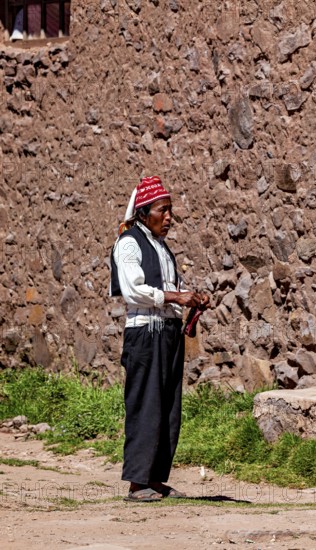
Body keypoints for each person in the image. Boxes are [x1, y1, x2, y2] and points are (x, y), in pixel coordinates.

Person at [110, 176, 209, 502]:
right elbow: (133, 288)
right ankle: (138, 483)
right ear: (142, 213)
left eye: (170, 211)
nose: (168, 218)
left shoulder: (162, 248)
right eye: (161, 211)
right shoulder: (129, 243)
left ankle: (156, 478)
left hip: (167, 336)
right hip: (145, 336)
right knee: (146, 405)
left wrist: (191, 299)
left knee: (168, 407)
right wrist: (174, 297)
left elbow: (172, 289)